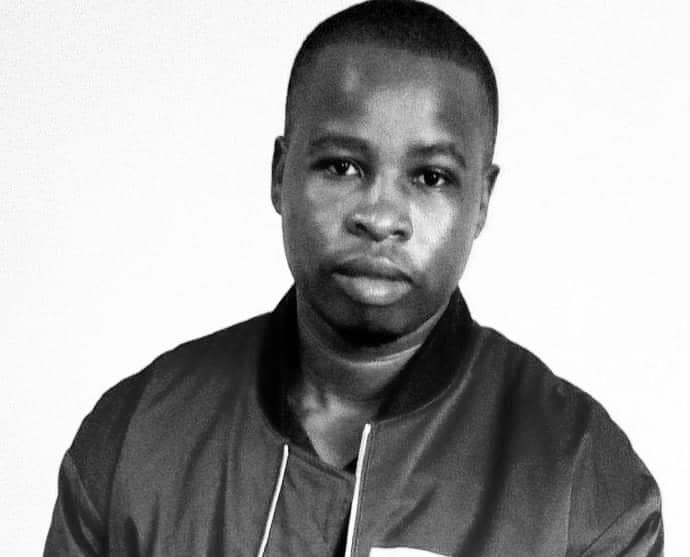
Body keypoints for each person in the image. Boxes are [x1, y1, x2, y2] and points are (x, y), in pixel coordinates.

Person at [43, 1, 663, 555]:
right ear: (280, 174)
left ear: (481, 202)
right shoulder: (135, 434)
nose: (380, 216)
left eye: (431, 177)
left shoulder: (583, 480)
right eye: (341, 166)